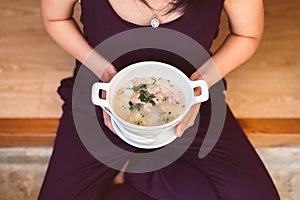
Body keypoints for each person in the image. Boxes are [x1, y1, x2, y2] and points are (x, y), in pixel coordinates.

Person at [38, 0, 280, 199]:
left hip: (192, 99)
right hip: (100, 93)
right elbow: (55, 18)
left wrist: (197, 87)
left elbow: (247, 34)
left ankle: (138, 174)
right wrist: (106, 73)